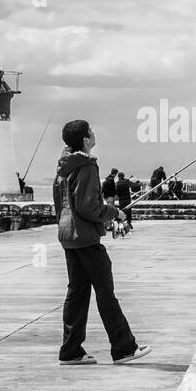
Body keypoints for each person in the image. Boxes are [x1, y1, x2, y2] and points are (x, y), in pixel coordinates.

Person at [53, 120, 151, 366]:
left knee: (77, 294)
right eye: (92, 131)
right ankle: (124, 347)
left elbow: (62, 203)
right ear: (86, 139)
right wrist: (114, 213)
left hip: (69, 237)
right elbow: (88, 206)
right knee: (106, 293)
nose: (95, 133)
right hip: (85, 238)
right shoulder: (86, 166)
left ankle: (71, 351)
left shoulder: (64, 166)